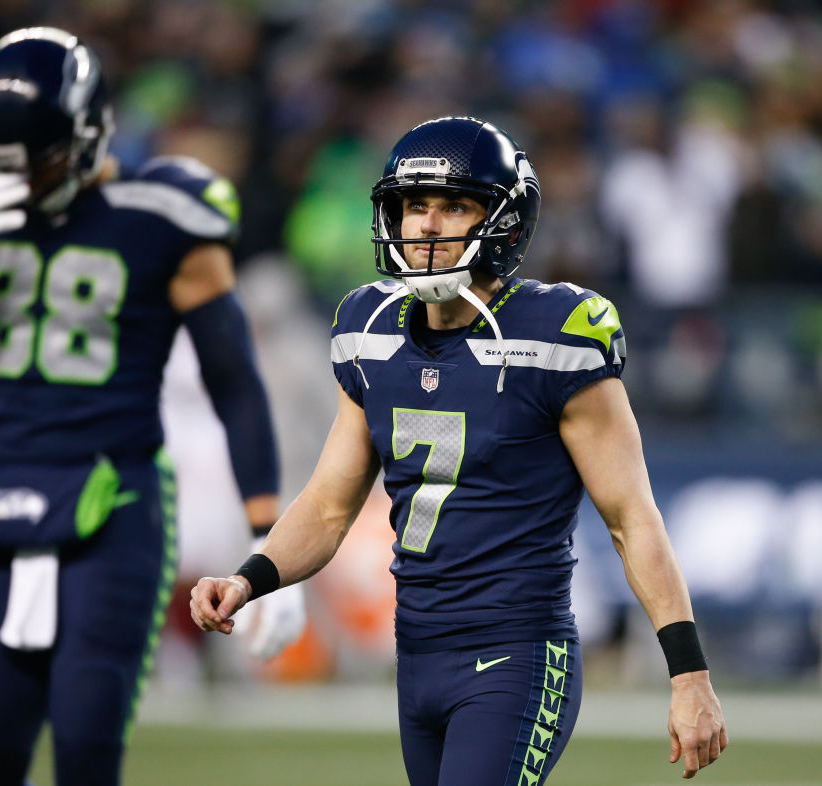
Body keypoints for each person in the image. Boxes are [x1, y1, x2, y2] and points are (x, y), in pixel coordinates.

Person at [191, 116, 728, 785]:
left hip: (516, 653)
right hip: (416, 653)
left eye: (453, 205)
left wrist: (688, 674)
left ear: (503, 221)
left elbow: (632, 518)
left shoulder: (556, 337)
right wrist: (249, 578)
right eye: (415, 205)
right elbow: (329, 506)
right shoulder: (368, 330)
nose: (428, 224)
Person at [0, 26, 303, 786]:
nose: (28, 184)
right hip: (2, 494)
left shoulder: (166, 213)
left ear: (87, 132)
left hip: (117, 501)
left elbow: (233, 380)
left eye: (40, 162)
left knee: (85, 748)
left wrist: (267, 543)